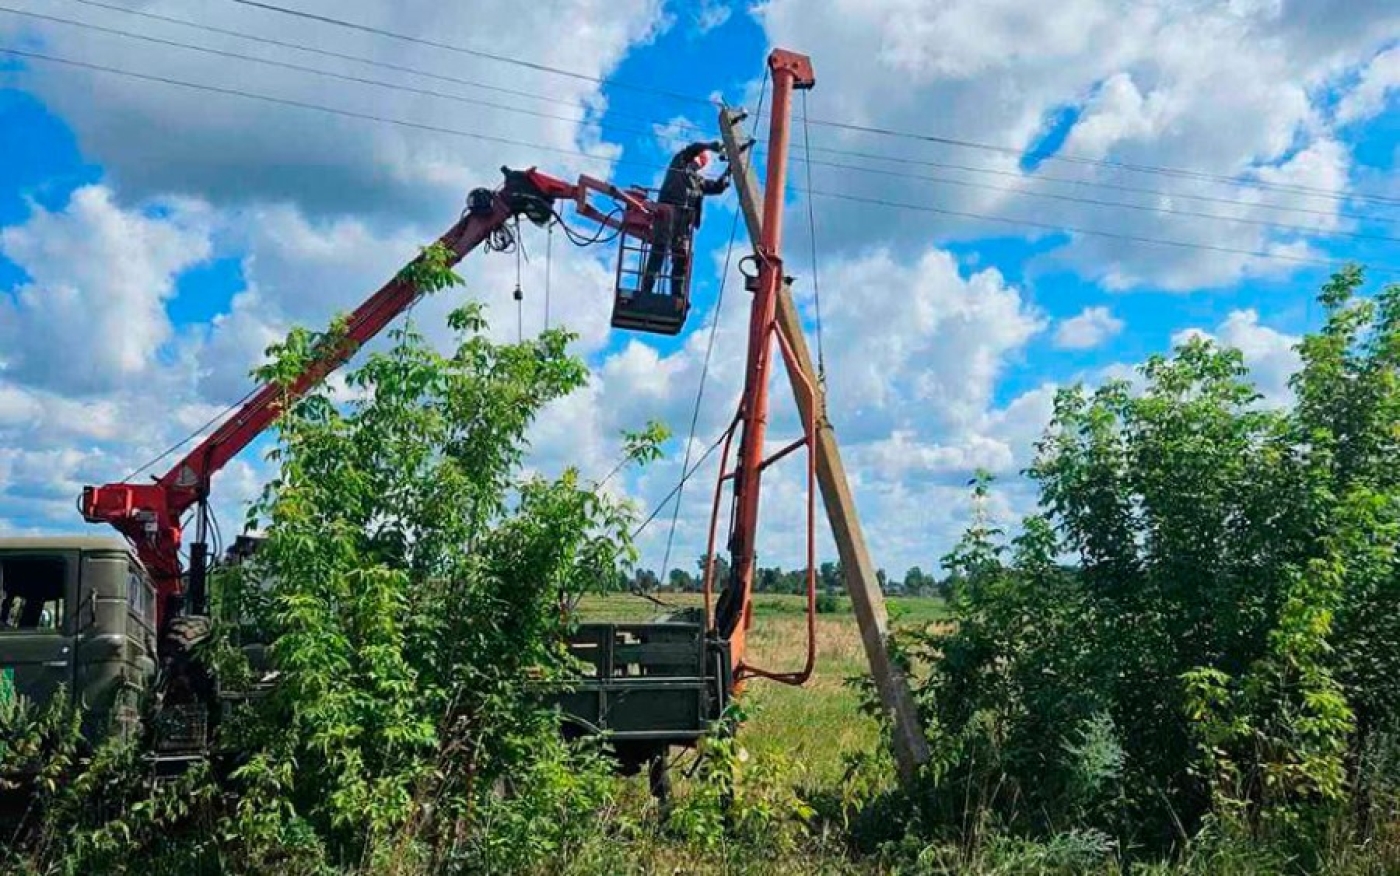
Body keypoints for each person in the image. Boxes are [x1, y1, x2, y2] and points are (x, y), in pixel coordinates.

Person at [639, 140, 730, 296]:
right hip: (668, 214)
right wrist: (710, 146)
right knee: (659, 252)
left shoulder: (697, 181)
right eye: (698, 159)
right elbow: (692, 148)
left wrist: (730, 170)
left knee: (681, 259)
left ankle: (677, 296)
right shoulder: (679, 164)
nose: (698, 164)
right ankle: (646, 290)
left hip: (683, 223)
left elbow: (717, 187)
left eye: (701, 163)